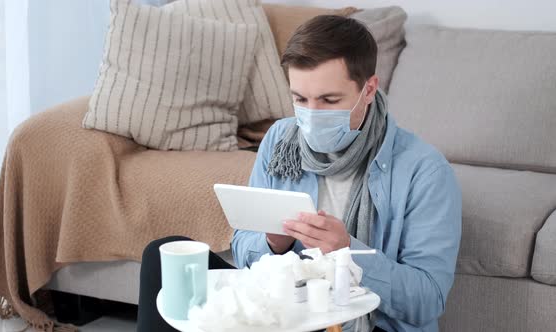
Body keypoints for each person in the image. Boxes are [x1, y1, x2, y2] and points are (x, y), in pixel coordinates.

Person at [137, 15, 461, 332]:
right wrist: (272, 244)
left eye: (329, 100)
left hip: (359, 322)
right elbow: (243, 249)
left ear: (369, 89)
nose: (311, 115)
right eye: (300, 99)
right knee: (163, 256)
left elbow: (427, 300)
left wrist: (347, 252)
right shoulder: (281, 139)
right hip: (283, 307)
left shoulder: (423, 170)